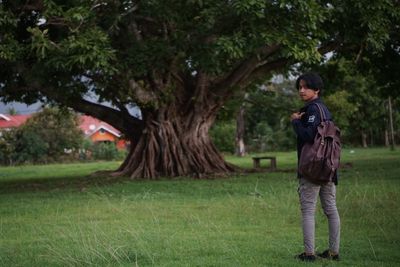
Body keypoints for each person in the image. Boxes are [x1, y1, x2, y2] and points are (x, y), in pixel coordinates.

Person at [290, 73, 341, 262]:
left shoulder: (313, 109)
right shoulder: (324, 110)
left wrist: (295, 121)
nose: (301, 90)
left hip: (313, 167)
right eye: (299, 87)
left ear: (316, 89)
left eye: (306, 87)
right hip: (328, 166)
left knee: (308, 210)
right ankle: (334, 252)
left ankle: (309, 253)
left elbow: (308, 136)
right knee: (331, 209)